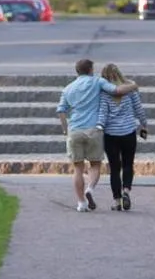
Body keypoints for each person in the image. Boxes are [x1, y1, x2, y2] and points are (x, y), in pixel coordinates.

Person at [56, 58, 137, 211]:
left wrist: (65, 129)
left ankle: (81, 203)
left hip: (75, 130)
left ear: (77, 71)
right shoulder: (97, 82)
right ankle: (90, 189)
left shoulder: (67, 89)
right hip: (94, 130)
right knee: (95, 165)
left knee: (78, 169)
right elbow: (117, 91)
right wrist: (133, 85)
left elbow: (61, 110)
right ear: (91, 70)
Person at [97, 63, 148, 211]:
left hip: (111, 135)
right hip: (128, 133)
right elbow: (139, 109)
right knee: (127, 164)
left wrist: (99, 126)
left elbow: (102, 113)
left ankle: (117, 201)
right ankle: (126, 191)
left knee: (114, 168)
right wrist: (144, 124)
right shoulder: (130, 90)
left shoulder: (104, 93)